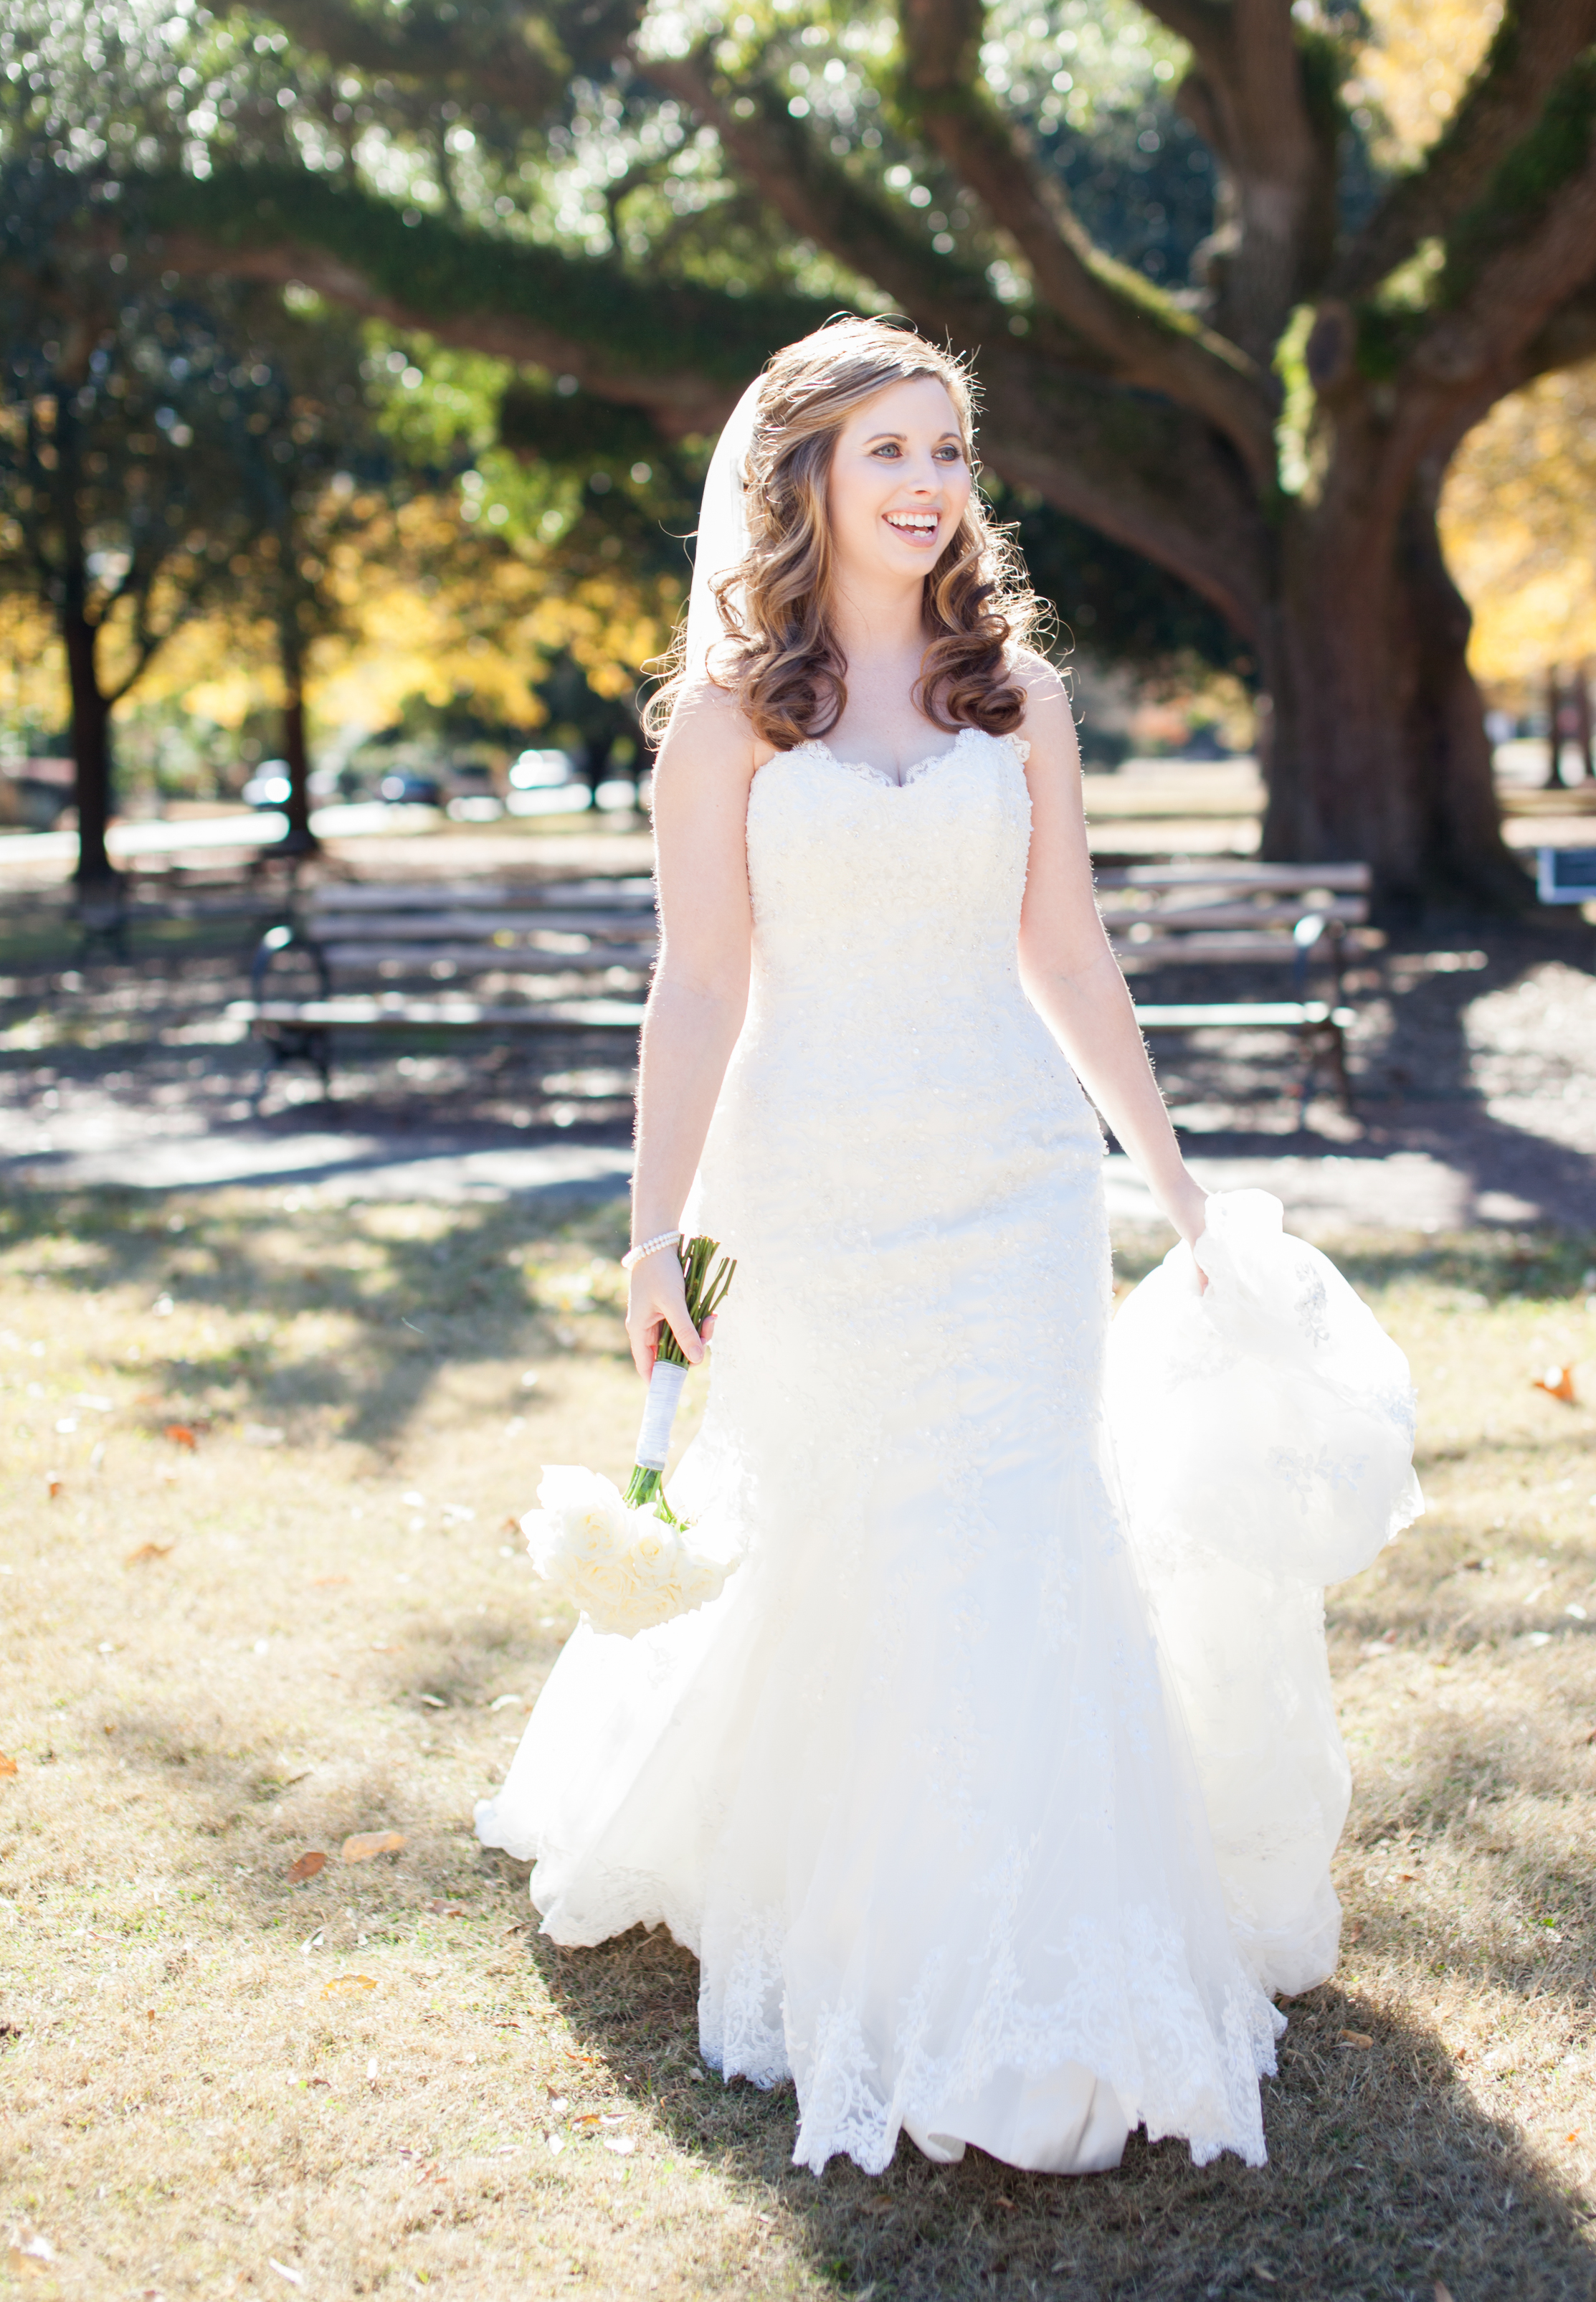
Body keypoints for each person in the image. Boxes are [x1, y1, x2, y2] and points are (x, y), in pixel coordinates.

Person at [476, 316, 1420, 2177]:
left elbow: (1063, 953)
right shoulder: (727, 717)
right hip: (809, 1196)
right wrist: (655, 1230)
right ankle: (866, 1933)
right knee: (864, 1549)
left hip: (1008, 1186)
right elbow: (697, 985)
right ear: (806, 472)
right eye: (886, 449)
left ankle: (1051, 1961)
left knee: (1016, 1538)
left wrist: (1171, 1181)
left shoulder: (1022, 703)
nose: (925, 484)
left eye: (949, 452)